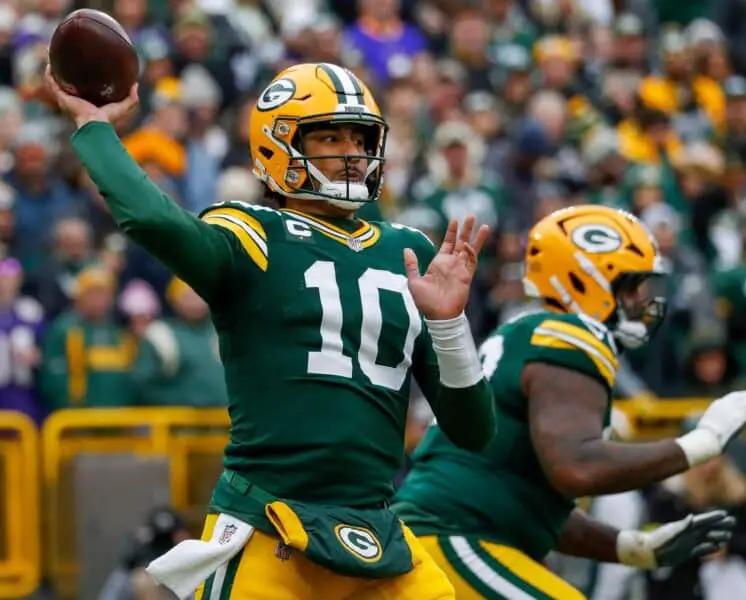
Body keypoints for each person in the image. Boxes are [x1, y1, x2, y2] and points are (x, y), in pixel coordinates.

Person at [46, 61, 496, 600]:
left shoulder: (409, 251)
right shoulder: (253, 232)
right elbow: (153, 220)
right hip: (267, 524)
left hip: (376, 529)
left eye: (360, 138)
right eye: (331, 137)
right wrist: (95, 128)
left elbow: (474, 432)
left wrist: (449, 324)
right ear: (278, 145)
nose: (353, 153)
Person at [393, 205, 746, 599]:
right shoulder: (569, 337)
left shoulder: (530, 334)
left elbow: (537, 505)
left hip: (449, 534)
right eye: (632, 285)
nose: (643, 299)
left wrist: (633, 547)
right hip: (452, 535)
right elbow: (576, 468)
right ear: (586, 280)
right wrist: (701, 443)